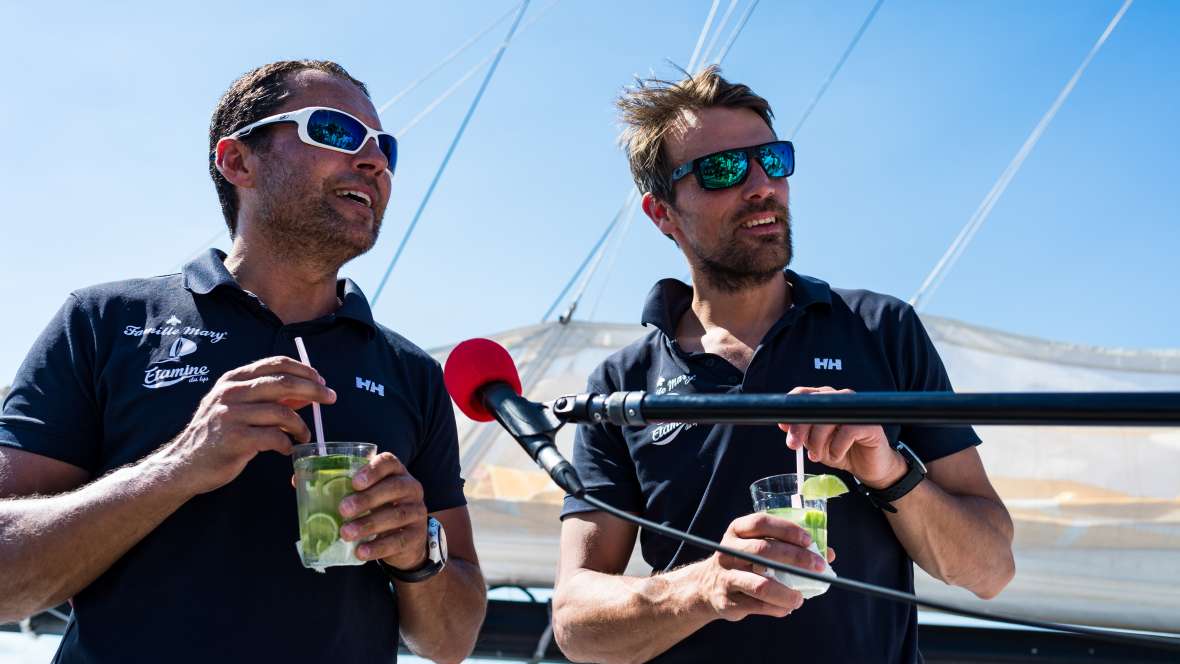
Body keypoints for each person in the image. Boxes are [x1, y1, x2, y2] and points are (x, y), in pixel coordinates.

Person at [0, 60, 486, 663]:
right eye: (335, 131)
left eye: (384, 146)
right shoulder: (104, 322)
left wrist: (420, 553)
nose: (375, 161)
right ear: (237, 162)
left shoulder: (411, 372)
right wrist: (182, 464)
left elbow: (453, 641)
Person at [551, 66, 1015, 663]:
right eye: (722, 169)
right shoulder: (621, 385)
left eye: (772, 159)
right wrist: (707, 586)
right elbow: (575, 624)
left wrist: (891, 472)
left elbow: (992, 569)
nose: (761, 184)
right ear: (662, 213)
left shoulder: (881, 330)